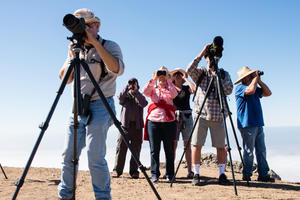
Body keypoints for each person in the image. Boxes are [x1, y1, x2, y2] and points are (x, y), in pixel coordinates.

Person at [58, 8, 124, 200]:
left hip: (101, 105)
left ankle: (102, 197)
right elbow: (65, 79)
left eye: (86, 26)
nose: (82, 31)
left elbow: (117, 68)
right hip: (78, 107)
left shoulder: (110, 46)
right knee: (68, 156)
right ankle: (66, 196)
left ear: (96, 26)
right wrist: (72, 56)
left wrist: (95, 43)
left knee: (95, 156)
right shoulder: (75, 50)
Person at [186, 41, 233, 186]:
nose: (214, 59)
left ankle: (222, 174)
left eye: (217, 57)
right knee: (196, 145)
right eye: (211, 57)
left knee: (220, 146)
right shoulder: (200, 73)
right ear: (206, 58)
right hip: (201, 114)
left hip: (218, 115)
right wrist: (201, 53)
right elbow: (189, 70)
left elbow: (229, 90)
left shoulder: (223, 74)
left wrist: (216, 75)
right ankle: (197, 174)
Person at [234, 66, 274, 182]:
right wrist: (255, 79)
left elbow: (268, 93)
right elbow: (250, 90)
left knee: (261, 150)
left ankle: (263, 174)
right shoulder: (240, 87)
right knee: (248, 151)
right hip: (247, 124)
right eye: (250, 75)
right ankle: (246, 174)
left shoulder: (255, 86)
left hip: (258, 122)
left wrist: (259, 80)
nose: (252, 76)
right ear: (245, 77)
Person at [142, 66, 178, 183]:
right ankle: (154, 174)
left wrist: (168, 79)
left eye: (164, 74)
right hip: (154, 122)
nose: (162, 77)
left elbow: (174, 94)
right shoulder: (153, 89)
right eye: (160, 75)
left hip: (169, 123)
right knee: (154, 150)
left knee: (169, 150)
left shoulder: (170, 88)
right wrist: (153, 79)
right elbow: (145, 92)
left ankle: (170, 174)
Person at [112, 78, 148, 179]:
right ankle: (117, 171)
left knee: (136, 149)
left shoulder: (139, 96)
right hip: (125, 126)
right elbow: (120, 98)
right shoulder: (125, 97)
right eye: (131, 83)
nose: (132, 85)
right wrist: (127, 86)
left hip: (137, 126)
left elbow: (144, 103)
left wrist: (136, 91)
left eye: (134, 83)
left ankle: (134, 171)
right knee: (121, 148)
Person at [170, 68, 196, 179]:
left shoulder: (186, 88)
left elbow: (194, 89)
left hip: (187, 116)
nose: (178, 76)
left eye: (180, 74)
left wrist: (187, 78)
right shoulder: (170, 88)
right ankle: (171, 171)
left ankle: (190, 171)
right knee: (174, 145)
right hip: (174, 117)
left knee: (188, 145)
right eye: (175, 74)